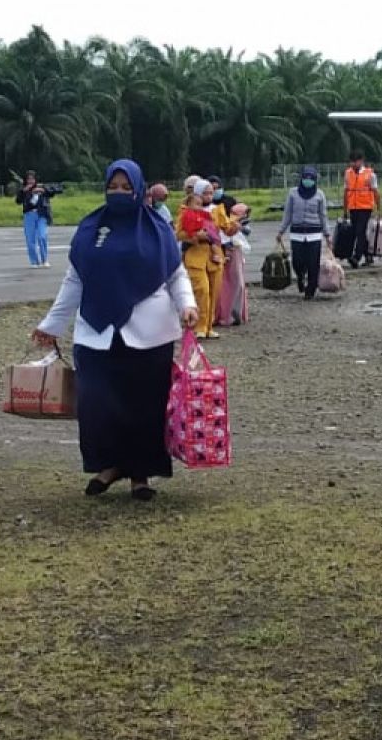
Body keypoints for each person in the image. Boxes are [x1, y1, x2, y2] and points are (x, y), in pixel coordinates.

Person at [32, 159, 198, 502]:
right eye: (113, 187)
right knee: (97, 403)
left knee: (144, 406)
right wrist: (51, 324)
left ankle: (140, 474)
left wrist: (187, 305)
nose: (119, 193)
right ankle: (108, 465)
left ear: (139, 190)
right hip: (95, 332)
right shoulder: (92, 227)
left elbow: (175, 274)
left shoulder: (157, 229)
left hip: (150, 334)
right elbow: (74, 279)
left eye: (126, 188)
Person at [176, 180, 239, 339]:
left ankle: (209, 326)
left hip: (215, 256)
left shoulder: (218, 210)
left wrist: (236, 225)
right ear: (197, 194)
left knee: (213, 292)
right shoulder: (186, 211)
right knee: (201, 290)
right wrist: (196, 236)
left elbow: (228, 229)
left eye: (211, 192)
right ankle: (199, 326)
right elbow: (179, 234)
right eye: (206, 193)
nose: (209, 196)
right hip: (195, 254)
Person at [278, 166, 331, 300]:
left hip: (314, 234)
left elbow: (323, 215)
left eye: (311, 178)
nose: (308, 181)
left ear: (315, 180)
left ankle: (310, 290)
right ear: (301, 179)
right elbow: (288, 214)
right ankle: (301, 277)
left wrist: (327, 234)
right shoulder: (293, 193)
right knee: (297, 261)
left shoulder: (320, 194)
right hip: (297, 233)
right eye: (306, 178)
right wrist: (281, 231)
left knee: (313, 264)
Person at [343, 150, 381, 268]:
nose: (353, 164)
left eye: (356, 162)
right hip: (353, 207)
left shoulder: (370, 174)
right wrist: (345, 210)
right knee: (357, 232)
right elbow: (345, 192)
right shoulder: (348, 173)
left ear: (361, 161)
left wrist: (378, 209)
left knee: (360, 231)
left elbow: (376, 193)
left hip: (365, 208)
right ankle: (368, 255)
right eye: (352, 162)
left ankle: (356, 257)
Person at [216, 202, 251, 327]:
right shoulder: (228, 223)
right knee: (232, 285)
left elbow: (246, 232)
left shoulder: (240, 224)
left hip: (236, 254)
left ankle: (234, 313)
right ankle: (228, 314)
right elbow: (225, 237)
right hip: (229, 254)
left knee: (236, 285)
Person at [15, 170, 52, 268]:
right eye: (28, 179)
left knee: (42, 236)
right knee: (30, 239)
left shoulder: (40, 187)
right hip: (29, 215)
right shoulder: (24, 190)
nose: (30, 181)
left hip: (41, 214)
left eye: (32, 179)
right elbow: (18, 201)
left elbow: (51, 192)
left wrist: (43, 190)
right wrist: (24, 191)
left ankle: (45, 260)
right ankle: (34, 261)